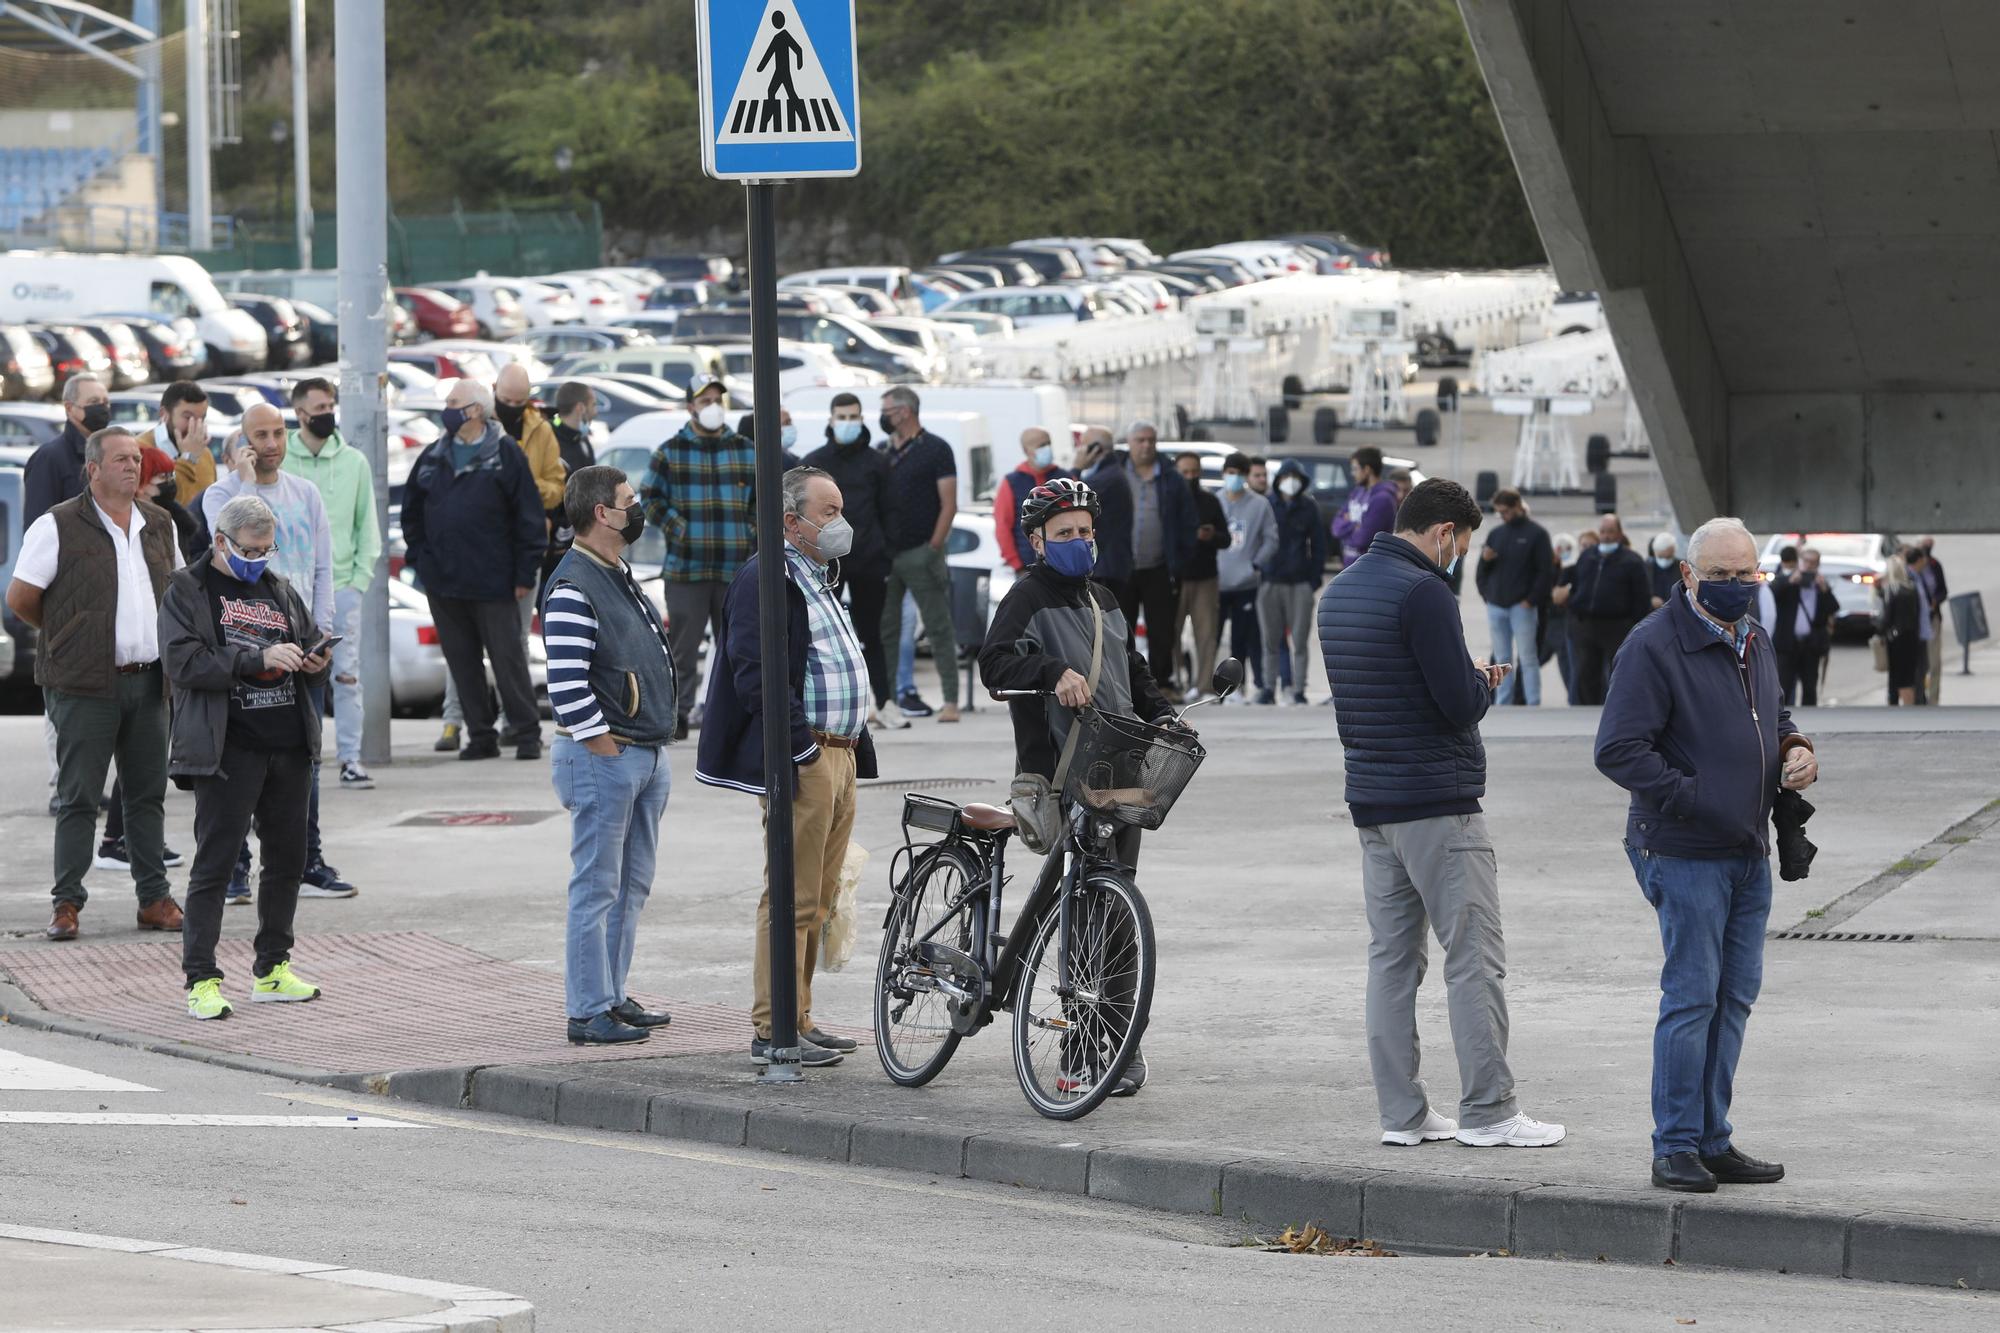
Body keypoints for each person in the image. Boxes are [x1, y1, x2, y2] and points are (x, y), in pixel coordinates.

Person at [1319, 478, 1563, 1150]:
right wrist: (1481, 684)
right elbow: (1454, 702)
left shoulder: (1339, 593)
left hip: (1372, 800)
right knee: (1473, 957)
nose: (1457, 554)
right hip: (1437, 803)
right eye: (1460, 541)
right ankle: (1490, 1108)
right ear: (1445, 533)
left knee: (1392, 962)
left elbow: (1382, 686)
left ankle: (1403, 1113)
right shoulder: (1425, 590)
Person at [1595, 516, 1817, 1194]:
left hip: (1748, 845)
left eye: (1744, 574)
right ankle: (1676, 1147)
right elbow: (1617, 749)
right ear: (1689, 576)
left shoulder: (1754, 636)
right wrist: (1695, 797)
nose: (1734, 586)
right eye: (1718, 576)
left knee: (1734, 996)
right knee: (1692, 995)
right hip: (1685, 848)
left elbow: (1771, 717)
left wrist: (1795, 747)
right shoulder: (1652, 646)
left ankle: (1712, 1139)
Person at [977, 476, 1177, 1096]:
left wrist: (1164, 712)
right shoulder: (1025, 597)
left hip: (1120, 774)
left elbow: (1132, 671)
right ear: (1037, 541)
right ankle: (1079, 1046)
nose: (1079, 542)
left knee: (1115, 913)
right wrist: (1051, 671)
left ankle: (1117, 1041)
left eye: (1086, 532)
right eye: (1065, 534)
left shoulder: (1107, 599)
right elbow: (994, 662)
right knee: (1082, 910)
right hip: (1060, 774)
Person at [696, 467, 879, 1069]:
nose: (839, 523)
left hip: (841, 751)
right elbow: (755, 672)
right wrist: (798, 749)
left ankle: (799, 1016)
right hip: (810, 756)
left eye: (839, 508)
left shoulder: (819, 575)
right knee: (792, 896)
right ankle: (773, 1025)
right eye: (827, 512)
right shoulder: (765, 577)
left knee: (821, 898)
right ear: (790, 521)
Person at [6, 426, 184, 942]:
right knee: (79, 796)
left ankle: (153, 898)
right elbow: (21, 597)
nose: (133, 467)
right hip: (83, 684)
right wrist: (70, 635)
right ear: (93, 469)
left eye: (136, 459)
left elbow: (176, 593)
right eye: (122, 459)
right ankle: (67, 903)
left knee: (146, 795)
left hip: (150, 681)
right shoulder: (57, 524)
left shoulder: (159, 523)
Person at [163, 495, 332, 1020]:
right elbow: (183, 662)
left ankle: (273, 968)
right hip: (228, 748)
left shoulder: (278, 588)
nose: (259, 558)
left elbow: (309, 647)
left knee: (287, 861)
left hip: (288, 744)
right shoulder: (186, 590)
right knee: (215, 865)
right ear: (220, 541)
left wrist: (315, 661)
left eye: (267, 549)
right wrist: (255, 657)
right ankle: (201, 980)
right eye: (250, 550)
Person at [543, 465, 677, 1046]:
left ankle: (613, 996)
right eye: (629, 501)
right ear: (603, 513)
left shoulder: (615, 571)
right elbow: (566, 685)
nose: (637, 507)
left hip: (640, 753)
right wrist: (604, 743)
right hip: (606, 757)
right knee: (597, 886)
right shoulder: (575, 583)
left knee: (630, 886)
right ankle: (587, 1009)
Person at [202, 403, 355, 901]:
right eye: (259, 436)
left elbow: (322, 569)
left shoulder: (305, 494)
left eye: (276, 434)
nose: (270, 444)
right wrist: (244, 481)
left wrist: (320, 634)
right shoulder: (221, 495)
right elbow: (229, 545)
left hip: (300, 651)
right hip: (244, 653)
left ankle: (307, 861)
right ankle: (234, 869)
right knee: (239, 764)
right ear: (242, 442)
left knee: (304, 762)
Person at [402, 376, 547, 760]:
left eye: (453, 403)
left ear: (475, 411)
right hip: (444, 582)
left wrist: (523, 573)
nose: (446, 410)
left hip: (495, 580)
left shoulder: (505, 453)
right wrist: (421, 560)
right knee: (462, 662)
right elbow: (412, 512)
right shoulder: (434, 454)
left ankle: (526, 733)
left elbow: (528, 518)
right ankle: (480, 736)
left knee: (507, 659)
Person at [639, 374, 757, 740]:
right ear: (691, 406)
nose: (713, 407)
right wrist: (680, 528)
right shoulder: (670, 450)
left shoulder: (744, 449)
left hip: (734, 570)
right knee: (682, 651)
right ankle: (678, 716)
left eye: (718, 399)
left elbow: (763, 501)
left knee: (737, 649)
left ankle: (735, 718)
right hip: (685, 569)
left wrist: (749, 532)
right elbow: (649, 499)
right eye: (705, 400)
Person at [284, 377, 382, 791]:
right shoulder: (283, 459)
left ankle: (350, 759)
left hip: (341, 584)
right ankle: (297, 757)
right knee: (288, 672)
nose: (327, 414)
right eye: (318, 408)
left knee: (346, 674)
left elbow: (368, 528)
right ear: (300, 413)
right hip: (286, 589)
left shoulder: (353, 462)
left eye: (330, 406)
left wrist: (357, 582)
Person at [801, 392, 896, 728]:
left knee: (874, 633)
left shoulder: (877, 462)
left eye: (853, 416)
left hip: (870, 560)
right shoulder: (815, 462)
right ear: (830, 420)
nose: (847, 423)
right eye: (841, 417)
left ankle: (885, 701)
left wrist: (886, 553)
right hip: (828, 560)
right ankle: (827, 703)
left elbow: (889, 511)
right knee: (822, 634)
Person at [876, 386, 960, 724]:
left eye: (887, 410)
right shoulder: (883, 451)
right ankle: (887, 701)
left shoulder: (936, 449)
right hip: (888, 553)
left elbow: (949, 504)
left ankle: (951, 701)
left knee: (938, 627)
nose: (883, 417)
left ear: (905, 411)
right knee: (886, 630)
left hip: (921, 552)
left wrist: (933, 548)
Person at [1117, 421, 1197, 687]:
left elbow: (1188, 522)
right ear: (1129, 443)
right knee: (1120, 628)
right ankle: (1124, 683)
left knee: (1161, 630)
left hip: (1160, 566)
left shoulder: (1171, 478)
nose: (1146, 445)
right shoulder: (1117, 473)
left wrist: (1181, 562)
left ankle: (1160, 683)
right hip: (1124, 567)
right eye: (1140, 440)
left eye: (1151, 440)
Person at [1552, 513, 1651, 705]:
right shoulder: (1588, 556)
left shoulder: (1632, 561)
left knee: (1618, 672)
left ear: (1619, 534)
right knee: (1586, 672)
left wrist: (1636, 625)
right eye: (1603, 532)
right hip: (1586, 625)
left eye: (1610, 532)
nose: (1606, 536)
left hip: (1617, 625)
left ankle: (1617, 709)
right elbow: (1575, 583)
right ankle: (1587, 712)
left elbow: (1642, 598)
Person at [1474, 488, 1554, 705]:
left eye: (1507, 511)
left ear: (1519, 506)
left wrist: (1531, 600)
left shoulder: (1537, 534)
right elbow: (1482, 569)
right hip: (1496, 604)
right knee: (1501, 658)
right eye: (1500, 512)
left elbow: (1545, 571)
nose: (1503, 516)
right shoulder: (1497, 533)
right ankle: (1503, 703)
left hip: (1522, 606)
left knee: (1528, 657)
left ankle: (1533, 702)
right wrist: (1487, 594)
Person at [1258, 460, 1326, 706]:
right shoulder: (1267, 505)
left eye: (1295, 476)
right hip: (1270, 580)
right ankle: (1268, 687)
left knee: (1299, 641)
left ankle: (1298, 690)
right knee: (1270, 639)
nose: (1291, 480)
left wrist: (1313, 579)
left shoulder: (1308, 507)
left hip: (1299, 583)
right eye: (1287, 475)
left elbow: (1319, 545)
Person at [1217, 452, 1277, 701]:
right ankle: (1210, 686)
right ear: (1224, 474)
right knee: (1212, 637)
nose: (1234, 478)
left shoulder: (1259, 504)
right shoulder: (1216, 501)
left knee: (1242, 639)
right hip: (1218, 581)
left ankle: (1238, 688)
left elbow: (1272, 539)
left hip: (1246, 582)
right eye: (1230, 473)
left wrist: (1255, 564)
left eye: (1239, 474)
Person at [1174, 450, 1231, 700]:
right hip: (1175, 577)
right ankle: (1175, 682)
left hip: (1205, 576)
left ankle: (1205, 686)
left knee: (1206, 634)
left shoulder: (1210, 501)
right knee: (1169, 634)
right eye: (1185, 472)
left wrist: (1211, 537)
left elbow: (1226, 538)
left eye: (1194, 472)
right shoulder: (1169, 501)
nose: (1190, 477)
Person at [538, 380, 601, 592]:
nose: (596, 412)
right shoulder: (548, 441)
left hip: (579, 545)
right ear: (580, 408)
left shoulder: (582, 441)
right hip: (550, 546)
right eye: (593, 405)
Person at [24, 373, 107, 526]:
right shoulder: (49, 457)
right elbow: (37, 526)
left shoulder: (107, 454)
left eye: (105, 402)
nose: (102, 407)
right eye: (94, 402)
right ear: (69, 408)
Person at [994, 427, 1069, 574]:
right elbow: (1002, 525)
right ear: (1027, 450)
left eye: (1048, 443)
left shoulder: (1065, 479)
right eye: (1041, 445)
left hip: (1063, 564)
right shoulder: (1012, 482)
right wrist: (1017, 564)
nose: (1046, 448)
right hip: (1028, 567)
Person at [1770, 546, 1837, 707]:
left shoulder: (1820, 585)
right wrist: (1790, 581)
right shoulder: (1787, 579)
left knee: (1809, 686)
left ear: (1818, 565)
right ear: (1800, 561)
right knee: (1783, 685)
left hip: (1810, 644)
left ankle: (1810, 718)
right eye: (1806, 561)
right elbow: (1771, 595)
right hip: (1788, 643)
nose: (1809, 565)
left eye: (1813, 563)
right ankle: (1781, 720)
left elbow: (1833, 608)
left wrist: (1825, 590)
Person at [1075, 427, 1133, 605]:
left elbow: (1072, 499)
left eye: (1082, 446)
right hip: (1108, 565)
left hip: (1105, 569)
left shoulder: (1107, 478)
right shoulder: (1108, 472)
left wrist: (1076, 469)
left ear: (1096, 449)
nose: (1078, 450)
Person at [150, 380, 217, 512]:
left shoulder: (204, 453)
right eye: (188, 417)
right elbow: (169, 505)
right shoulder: (141, 450)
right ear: (164, 414)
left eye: (201, 418)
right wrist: (188, 459)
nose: (195, 426)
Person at [1332, 445, 1397, 569]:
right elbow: (1335, 527)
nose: (1352, 474)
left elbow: (1363, 539)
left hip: (1371, 569)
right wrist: (1354, 525)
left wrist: (1349, 523)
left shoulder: (1382, 499)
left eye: (1355, 469)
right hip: (1349, 567)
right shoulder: (1356, 493)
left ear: (1367, 470)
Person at [1877, 553, 1923, 706]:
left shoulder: (1891, 589)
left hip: (1896, 637)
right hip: (1911, 636)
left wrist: (1880, 631)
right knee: (1908, 676)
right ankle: (1909, 703)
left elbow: (1887, 617)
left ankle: (1894, 703)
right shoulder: (1911, 588)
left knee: (1895, 675)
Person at [1909, 542, 1946, 705]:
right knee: (1920, 662)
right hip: (1916, 623)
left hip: (1932, 618)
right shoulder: (1910, 575)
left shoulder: (1934, 566)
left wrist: (1935, 602)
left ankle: (1933, 698)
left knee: (1934, 661)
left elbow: (1943, 590)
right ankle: (1918, 695)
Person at [1647, 533, 1680, 609]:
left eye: (1668, 557)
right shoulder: (1646, 568)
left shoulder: (1682, 568)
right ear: (1655, 552)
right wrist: (1649, 599)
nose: (1664, 561)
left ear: (1674, 552)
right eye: (1661, 557)